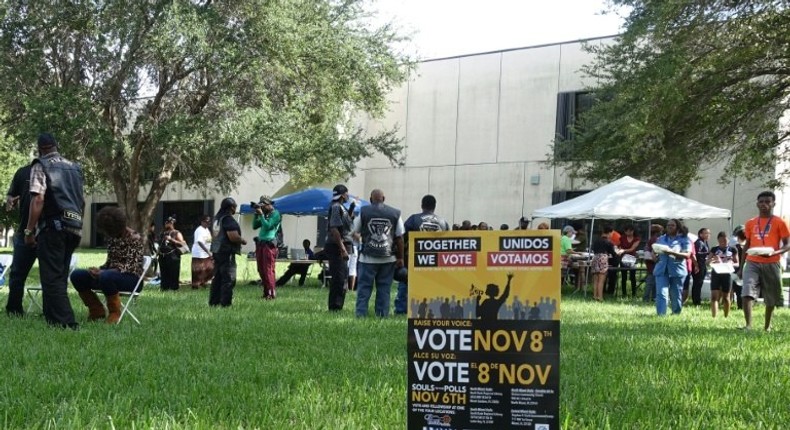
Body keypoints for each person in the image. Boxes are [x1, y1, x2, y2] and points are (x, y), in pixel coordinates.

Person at [24, 133, 84, 329]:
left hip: (53, 226)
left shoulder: (41, 165)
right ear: (56, 146)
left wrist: (29, 230)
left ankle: (67, 323)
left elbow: (38, 199)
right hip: (74, 227)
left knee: (51, 277)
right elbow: (80, 200)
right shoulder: (75, 168)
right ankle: (51, 319)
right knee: (60, 274)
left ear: (40, 148)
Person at [69, 206, 144, 323]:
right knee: (77, 275)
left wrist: (104, 272)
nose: (106, 233)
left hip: (131, 279)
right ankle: (96, 310)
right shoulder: (112, 238)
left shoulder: (135, 239)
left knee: (106, 276)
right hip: (108, 277)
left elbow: (131, 266)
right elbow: (110, 263)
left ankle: (114, 312)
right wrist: (98, 270)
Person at [740, 191, 790, 331]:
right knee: (747, 291)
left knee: (771, 296)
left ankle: (767, 326)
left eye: (768, 202)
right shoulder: (750, 223)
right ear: (757, 204)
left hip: (772, 262)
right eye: (761, 202)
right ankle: (748, 325)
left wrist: (776, 252)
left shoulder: (780, 222)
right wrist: (741, 266)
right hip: (752, 261)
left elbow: (787, 244)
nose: (764, 205)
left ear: (773, 204)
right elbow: (747, 245)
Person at [395, 194, 450, 315]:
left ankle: (401, 310)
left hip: (415, 259)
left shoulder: (413, 219)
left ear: (422, 205)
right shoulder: (443, 222)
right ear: (435, 206)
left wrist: (401, 257)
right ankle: (433, 310)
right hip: (436, 261)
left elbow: (402, 238)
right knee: (432, 286)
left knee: (406, 283)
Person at [353, 189, 404, 317]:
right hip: (388, 258)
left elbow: (355, 232)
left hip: (367, 258)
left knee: (364, 289)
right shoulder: (395, 213)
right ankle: (382, 315)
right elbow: (399, 238)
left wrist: (361, 241)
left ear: (371, 199)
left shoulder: (363, 211)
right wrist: (401, 258)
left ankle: (361, 314)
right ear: (384, 198)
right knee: (384, 289)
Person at [5, 163, 38, 317]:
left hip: (48, 232)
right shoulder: (23, 172)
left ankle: (53, 312)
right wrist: (10, 200)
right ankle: (14, 310)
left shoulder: (55, 170)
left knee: (51, 276)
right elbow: (11, 194)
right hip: (23, 231)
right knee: (17, 274)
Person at [209, 197, 247, 307]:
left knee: (217, 278)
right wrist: (242, 240)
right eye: (235, 207)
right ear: (231, 207)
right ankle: (225, 304)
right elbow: (233, 236)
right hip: (227, 252)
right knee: (229, 279)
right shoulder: (228, 219)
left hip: (217, 251)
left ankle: (214, 302)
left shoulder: (217, 219)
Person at [325, 184, 354, 311]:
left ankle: (338, 305)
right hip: (337, 247)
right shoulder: (337, 207)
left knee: (342, 277)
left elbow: (345, 224)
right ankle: (335, 307)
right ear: (343, 195)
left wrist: (351, 209)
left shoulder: (342, 207)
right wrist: (342, 249)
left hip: (341, 246)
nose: (348, 196)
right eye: (347, 194)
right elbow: (335, 229)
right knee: (338, 278)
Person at [654, 219, 691, 316]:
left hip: (677, 270)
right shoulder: (661, 239)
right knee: (661, 293)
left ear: (678, 227)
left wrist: (672, 252)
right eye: (668, 225)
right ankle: (661, 315)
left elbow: (687, 255)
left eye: (672, 225)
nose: (669, 227)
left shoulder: (684, 239)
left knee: (676, 294)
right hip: (662, 269)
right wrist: (654, 256)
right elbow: (655, 251)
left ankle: (676, 313)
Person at [252, 195, 281, 299]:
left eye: (263, 205)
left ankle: (271, 293)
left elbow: (268, 226)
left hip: (269, 244)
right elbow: (254, 226)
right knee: (261, 269)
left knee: (268, 269)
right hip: (260, 244)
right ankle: (266, 292)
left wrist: (262, 216)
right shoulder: (265, 214)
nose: (262, 208)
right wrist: (256, 215)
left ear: (269, 205)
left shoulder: (276, 214)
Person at [707, 231, 738, 318]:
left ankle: (726, 316)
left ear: (728, 240)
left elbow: (737, 263)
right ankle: (714, 317)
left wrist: (731, 263)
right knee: (714, 297)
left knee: (726, 297)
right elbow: (707, 262)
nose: (723, 243)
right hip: (716, 273)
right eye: (721, 241)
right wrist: (712, 260)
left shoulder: (733, 249)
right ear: (718, 240)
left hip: (727, 274)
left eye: (725, 241)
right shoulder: (714, 249)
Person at [158, 215, 186, 291]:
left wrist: (171, 240)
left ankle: (174, 288)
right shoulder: (162, 233)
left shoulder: (176, 233)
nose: (167, 224)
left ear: (172, 223)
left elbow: (182, 244)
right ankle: (164, 287)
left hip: (173, 255)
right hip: (162, 255)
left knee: (173, 272)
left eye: (169, 222)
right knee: (163, 272)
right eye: (166, 222)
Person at [590, 227, 618, 301]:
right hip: (603, 259)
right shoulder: (609, 242)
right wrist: (618, 253)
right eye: (611, 234)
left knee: (595, 279)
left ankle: (595, 296)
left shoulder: (595, 241)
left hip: (595, 258)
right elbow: (613, 253)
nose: (611, 235)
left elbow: (592, 249)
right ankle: (600, 297)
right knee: (601, 280)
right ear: (609, 233)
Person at [191, 215, 214, 289]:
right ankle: (196, 285)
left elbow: (208, 240)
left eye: (209, 222)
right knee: (198, 269)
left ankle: (203, 283)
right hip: (199, 253)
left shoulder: (206, 230)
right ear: (202, 222)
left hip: (206, 253)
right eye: (207, 221)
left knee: (208, 268)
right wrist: (207, 251)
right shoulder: (199, 230)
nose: (208, 223)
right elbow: (200, 242)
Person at [642, 224, 664, 302]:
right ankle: (646, 298)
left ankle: (653, 297)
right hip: (653, 262)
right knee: (650, 282)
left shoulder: (652, 239)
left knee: (654, 281)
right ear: (658, 232)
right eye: (661, 231)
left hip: (650, 262)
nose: (662, 233)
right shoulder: (655, 239)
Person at [618, 225, 641, 297]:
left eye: (631, 230)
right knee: (623, 276)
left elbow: (632, 249)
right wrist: (619, 250)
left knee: (632, 276)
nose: (629, 232)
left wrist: (623, 250)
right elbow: (619, 246)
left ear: (633, 231)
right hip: (623, 258)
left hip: (632, 259)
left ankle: (634, 293)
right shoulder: (622, 238)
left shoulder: (637, 239)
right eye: (627, 230)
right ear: (625, 231)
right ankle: (624, 293)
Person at [691, 228, 711, 305]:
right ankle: (696, 301)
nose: (708, 235)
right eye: (706, 233)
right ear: (700, 234)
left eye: (709, 233)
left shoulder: (705, 242)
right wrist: (707, 253)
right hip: (698, 264)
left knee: (700, 283)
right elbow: (696, 253)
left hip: (703, 264)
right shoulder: (699, 242)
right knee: (697, 283)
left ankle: (697, 299)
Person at [730, 225, 747, 309]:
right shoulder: (747, 246)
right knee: (741, 288)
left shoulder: (736, 247)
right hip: (746, 268)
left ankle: (741, 306)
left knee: (738, 288)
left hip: (738, 269)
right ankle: (742, 306)